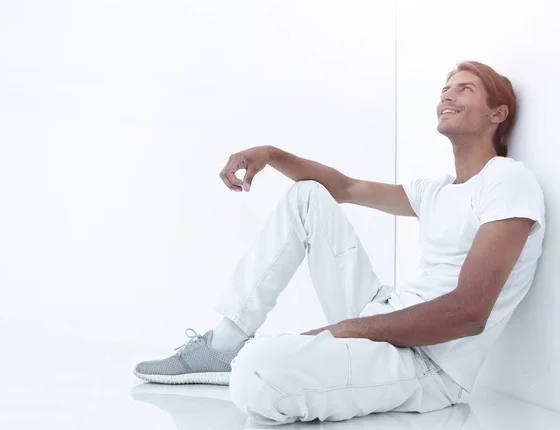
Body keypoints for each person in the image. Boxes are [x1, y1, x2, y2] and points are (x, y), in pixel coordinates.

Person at [133, 61, 546, 425]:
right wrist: (271, 154)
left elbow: (469, 313)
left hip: (428, 362)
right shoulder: (435, 190)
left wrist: (344, 331)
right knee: (308, 196)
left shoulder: (507, 181)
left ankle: (249, 359)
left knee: (254, 375)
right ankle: (224, 343)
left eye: (464, 88)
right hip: (385, 314)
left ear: (498, 113)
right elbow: (344, 187)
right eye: (445, 88)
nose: (447, 95)